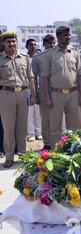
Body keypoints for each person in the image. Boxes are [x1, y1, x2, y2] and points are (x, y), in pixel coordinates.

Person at [40, 26, 81, 147]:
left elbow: (79, 76)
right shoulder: (49, 55)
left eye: (69, 35)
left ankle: (73, 150)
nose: (68, 37)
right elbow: (44, 77)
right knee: (56, 126)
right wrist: (47, 98)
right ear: (58, 36)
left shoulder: (75, 54)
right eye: (65, 35)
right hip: (55, 94)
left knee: (74, 125)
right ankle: (57, 151)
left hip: (73, 93)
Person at [0, 32, 37, 168]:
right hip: (6, 94)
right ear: (3, 43)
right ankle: (9, 156)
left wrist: (34, 94)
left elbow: (31, 77)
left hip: (23, 93)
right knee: (8, 127)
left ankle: (23, 154)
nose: (11, 44)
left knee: (22, 127)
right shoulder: (0, 59)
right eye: (8, 41)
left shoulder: (25, 58)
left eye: (13, 41)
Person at [31, 34, 56, 150]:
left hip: (58, 90)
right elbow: (34, 78)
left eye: (54, 42)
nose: (52, 45)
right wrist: (35, 94)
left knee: (58, 119)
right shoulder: (37, 58)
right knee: (45, 119)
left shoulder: (59, 55)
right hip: (43, 91)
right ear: (44, 43)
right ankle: (47, 143)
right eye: (50, 42)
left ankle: (58, 142)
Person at [25, 38, 42, 142]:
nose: (33, 46)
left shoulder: (39, 59)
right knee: (29, 112)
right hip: (27, 88)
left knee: (38, 111)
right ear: (27, 46)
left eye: (35, 45)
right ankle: (31, 133)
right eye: (31, 45)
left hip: (38, 88)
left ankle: (39, 132)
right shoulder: (24, 58)